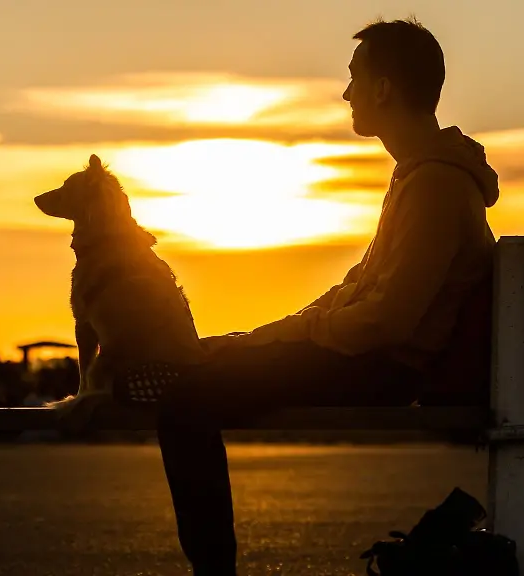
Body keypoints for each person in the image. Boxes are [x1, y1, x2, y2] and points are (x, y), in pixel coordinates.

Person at [156, 17, 500, 575]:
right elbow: (353, 289)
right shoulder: (418, 177)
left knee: (184, 402)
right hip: (364, 357)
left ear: (383, 88)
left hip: (380, 367)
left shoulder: (435, 185)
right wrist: (262, 338)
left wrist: (294, 335)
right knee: (204, 365)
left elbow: (386, 322)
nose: (346, 94)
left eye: (353, 79)